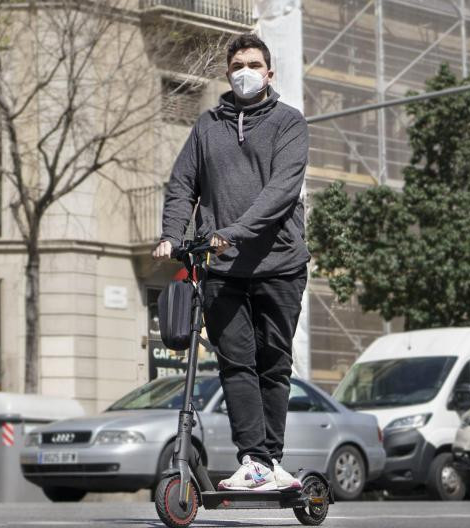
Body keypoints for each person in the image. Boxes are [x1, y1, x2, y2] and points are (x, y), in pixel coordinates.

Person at [154, 33, 309, 491]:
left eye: (254, 64)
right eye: (238, 64)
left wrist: (231, 233)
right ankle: (255, 461)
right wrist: (171, 234)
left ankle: (271, 457)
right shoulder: (207, 126)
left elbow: (280, 193)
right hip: (222, 269)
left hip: (279, 264)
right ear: (227, 72)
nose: (246, 71)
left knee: (273, 362)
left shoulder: (289, 123)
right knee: (235, 363)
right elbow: (183, 184)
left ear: (269, 72)